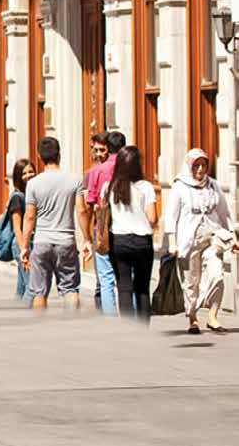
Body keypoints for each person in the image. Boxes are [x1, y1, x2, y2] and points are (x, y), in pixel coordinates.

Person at [164, 148, 232, 335]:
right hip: (189, 241)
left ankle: (212, 316)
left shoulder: (213, 185)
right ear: (189, 166)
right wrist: (172, 242)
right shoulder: (180, 186)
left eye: (204, 165)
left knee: (217, 274)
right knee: (191, 282)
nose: (201, 169)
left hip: (213, 238)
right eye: (196, 165)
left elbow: (224, 213)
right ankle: (193, 317)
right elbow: (171, 216)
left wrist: (233, 236)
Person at [21, 137, 84, 310]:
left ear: (39, 157)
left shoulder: (33, 184)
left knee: (39, 291)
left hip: (42, 241)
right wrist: (87, 239)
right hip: (66, 240)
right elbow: (81, 210)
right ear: (59, 155)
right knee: (70, 288)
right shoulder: (75, 180)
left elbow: (29, 217)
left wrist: (24, 246)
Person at [77, 130, 126, 314]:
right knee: (123, 279)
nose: (98, 154)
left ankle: (110, 319)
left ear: (109, 149)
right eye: (95, 150)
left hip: (103, 228)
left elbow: (88, 207)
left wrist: (88, 237)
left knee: (105, 279)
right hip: (123, 228)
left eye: (101, 150)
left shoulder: (96, 172)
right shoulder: (130, 168)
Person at [107, 146, 157, 324]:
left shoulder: (110, 187)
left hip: (119, 241)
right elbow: (152, 218)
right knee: (142, 288)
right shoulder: (146, 187)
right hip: (142, 241)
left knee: (124, 287)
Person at [5, 158, 35, 302]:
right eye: (24, 173)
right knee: (32, 286)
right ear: (17, 177)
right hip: (21, 244)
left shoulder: (30, 194)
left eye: (31, 171)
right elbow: (17, 228)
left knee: (22, 286)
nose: (29, 175)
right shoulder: (18, 197)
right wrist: (24, 249)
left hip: (26, 244)